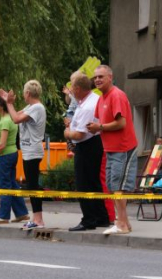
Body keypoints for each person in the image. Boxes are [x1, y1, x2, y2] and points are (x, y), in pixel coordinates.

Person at [87, 65, 138, 235]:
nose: (97, 80)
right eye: (95, 78)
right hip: (110, 148)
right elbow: (101, 123)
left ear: (110, 77)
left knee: (119, 186)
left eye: (101, 76)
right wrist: (95, 128)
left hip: (123, 148)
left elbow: (121, 123)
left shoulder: (117, 95)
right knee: (112, 186)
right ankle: (124, 222)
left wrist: (99, 127)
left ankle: (121, 223)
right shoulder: (101, 98)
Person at [64, 72, 111, 231]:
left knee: (83, 183)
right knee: (94, 182)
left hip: (87, 145)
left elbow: (79, 134)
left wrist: (67, 131)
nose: (70, 90)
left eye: (72, 86)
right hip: (94, 143)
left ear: (78, 89)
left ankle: (88, 219)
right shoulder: (90, 100)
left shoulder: (87, 106)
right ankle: (101, 217)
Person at [0, 80, 46, 229]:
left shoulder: (37, 108)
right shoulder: (31, 107)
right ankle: (37, 218)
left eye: (23, 92)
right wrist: (8, 103)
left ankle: (38, 220)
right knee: (32, 184)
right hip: (28, 151)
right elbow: (15, 115)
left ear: (27, 93)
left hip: (33, 151)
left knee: (33, 185)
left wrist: (10, 103)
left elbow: (16, 119)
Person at [0, 95, 28, 225]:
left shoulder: (5, 121)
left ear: (1, 106)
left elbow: (3, 143)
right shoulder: (10, 118)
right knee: (12, 184)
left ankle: (3, 216)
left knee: (4, 185)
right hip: (12, 154)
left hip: (5, 155)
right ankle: (21, 213)